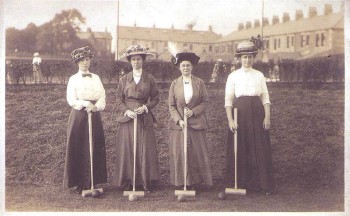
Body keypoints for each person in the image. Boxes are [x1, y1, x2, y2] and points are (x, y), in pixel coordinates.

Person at [224, 40, 274, 195]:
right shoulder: (233, 76)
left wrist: (267, 117)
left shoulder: (259, 75)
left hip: (258, 113)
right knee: (241, 147)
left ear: (253, 57)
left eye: (250, 57)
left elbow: (265, 97)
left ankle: (262, 184)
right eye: (244, 57)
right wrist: (231, 120)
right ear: (239, 58)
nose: (247, 60)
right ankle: (240, 183)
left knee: (259, 147)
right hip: (240, 114)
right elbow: (228, 101)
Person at [112, 45, 160, 192]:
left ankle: (145, 181)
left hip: (144, 118)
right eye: (133, 59)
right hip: (128, 119)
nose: (136, 62)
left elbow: (156, 98)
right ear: (130, 61)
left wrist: (146, 107)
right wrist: (126, 111)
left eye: (139, 59)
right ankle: (129, 181)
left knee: (144, 148)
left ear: (143, 60)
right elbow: (119, 99)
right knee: (128, 148)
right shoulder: (124, 79)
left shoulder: (149, 79)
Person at [63, 46, 107, 194]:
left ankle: (93, 182)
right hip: (79, 116)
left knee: (94, 145)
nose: (85, 63)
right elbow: (71, 99)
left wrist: (96, 107)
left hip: (94, 114)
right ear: (77, 62)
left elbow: (102, 96)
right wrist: (85, 104)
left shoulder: (96, 78)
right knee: (79, 146)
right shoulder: (73, 79)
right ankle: (79, 182)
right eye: (82, 60)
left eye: (87, 59)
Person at [168, 52, 213, 192]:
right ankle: (182, 182)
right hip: (180, 124)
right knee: (180, 152)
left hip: (196, 122)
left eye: (188, 65)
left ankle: (195, 181)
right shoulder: (174, 84)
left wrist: (194, 111)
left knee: (196, 152)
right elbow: (171, 106)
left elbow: (205, 101)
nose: (186, 68)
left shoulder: (199, 83)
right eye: (183, 65)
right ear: (179, 67)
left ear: (192, 67)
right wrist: (179, 120)